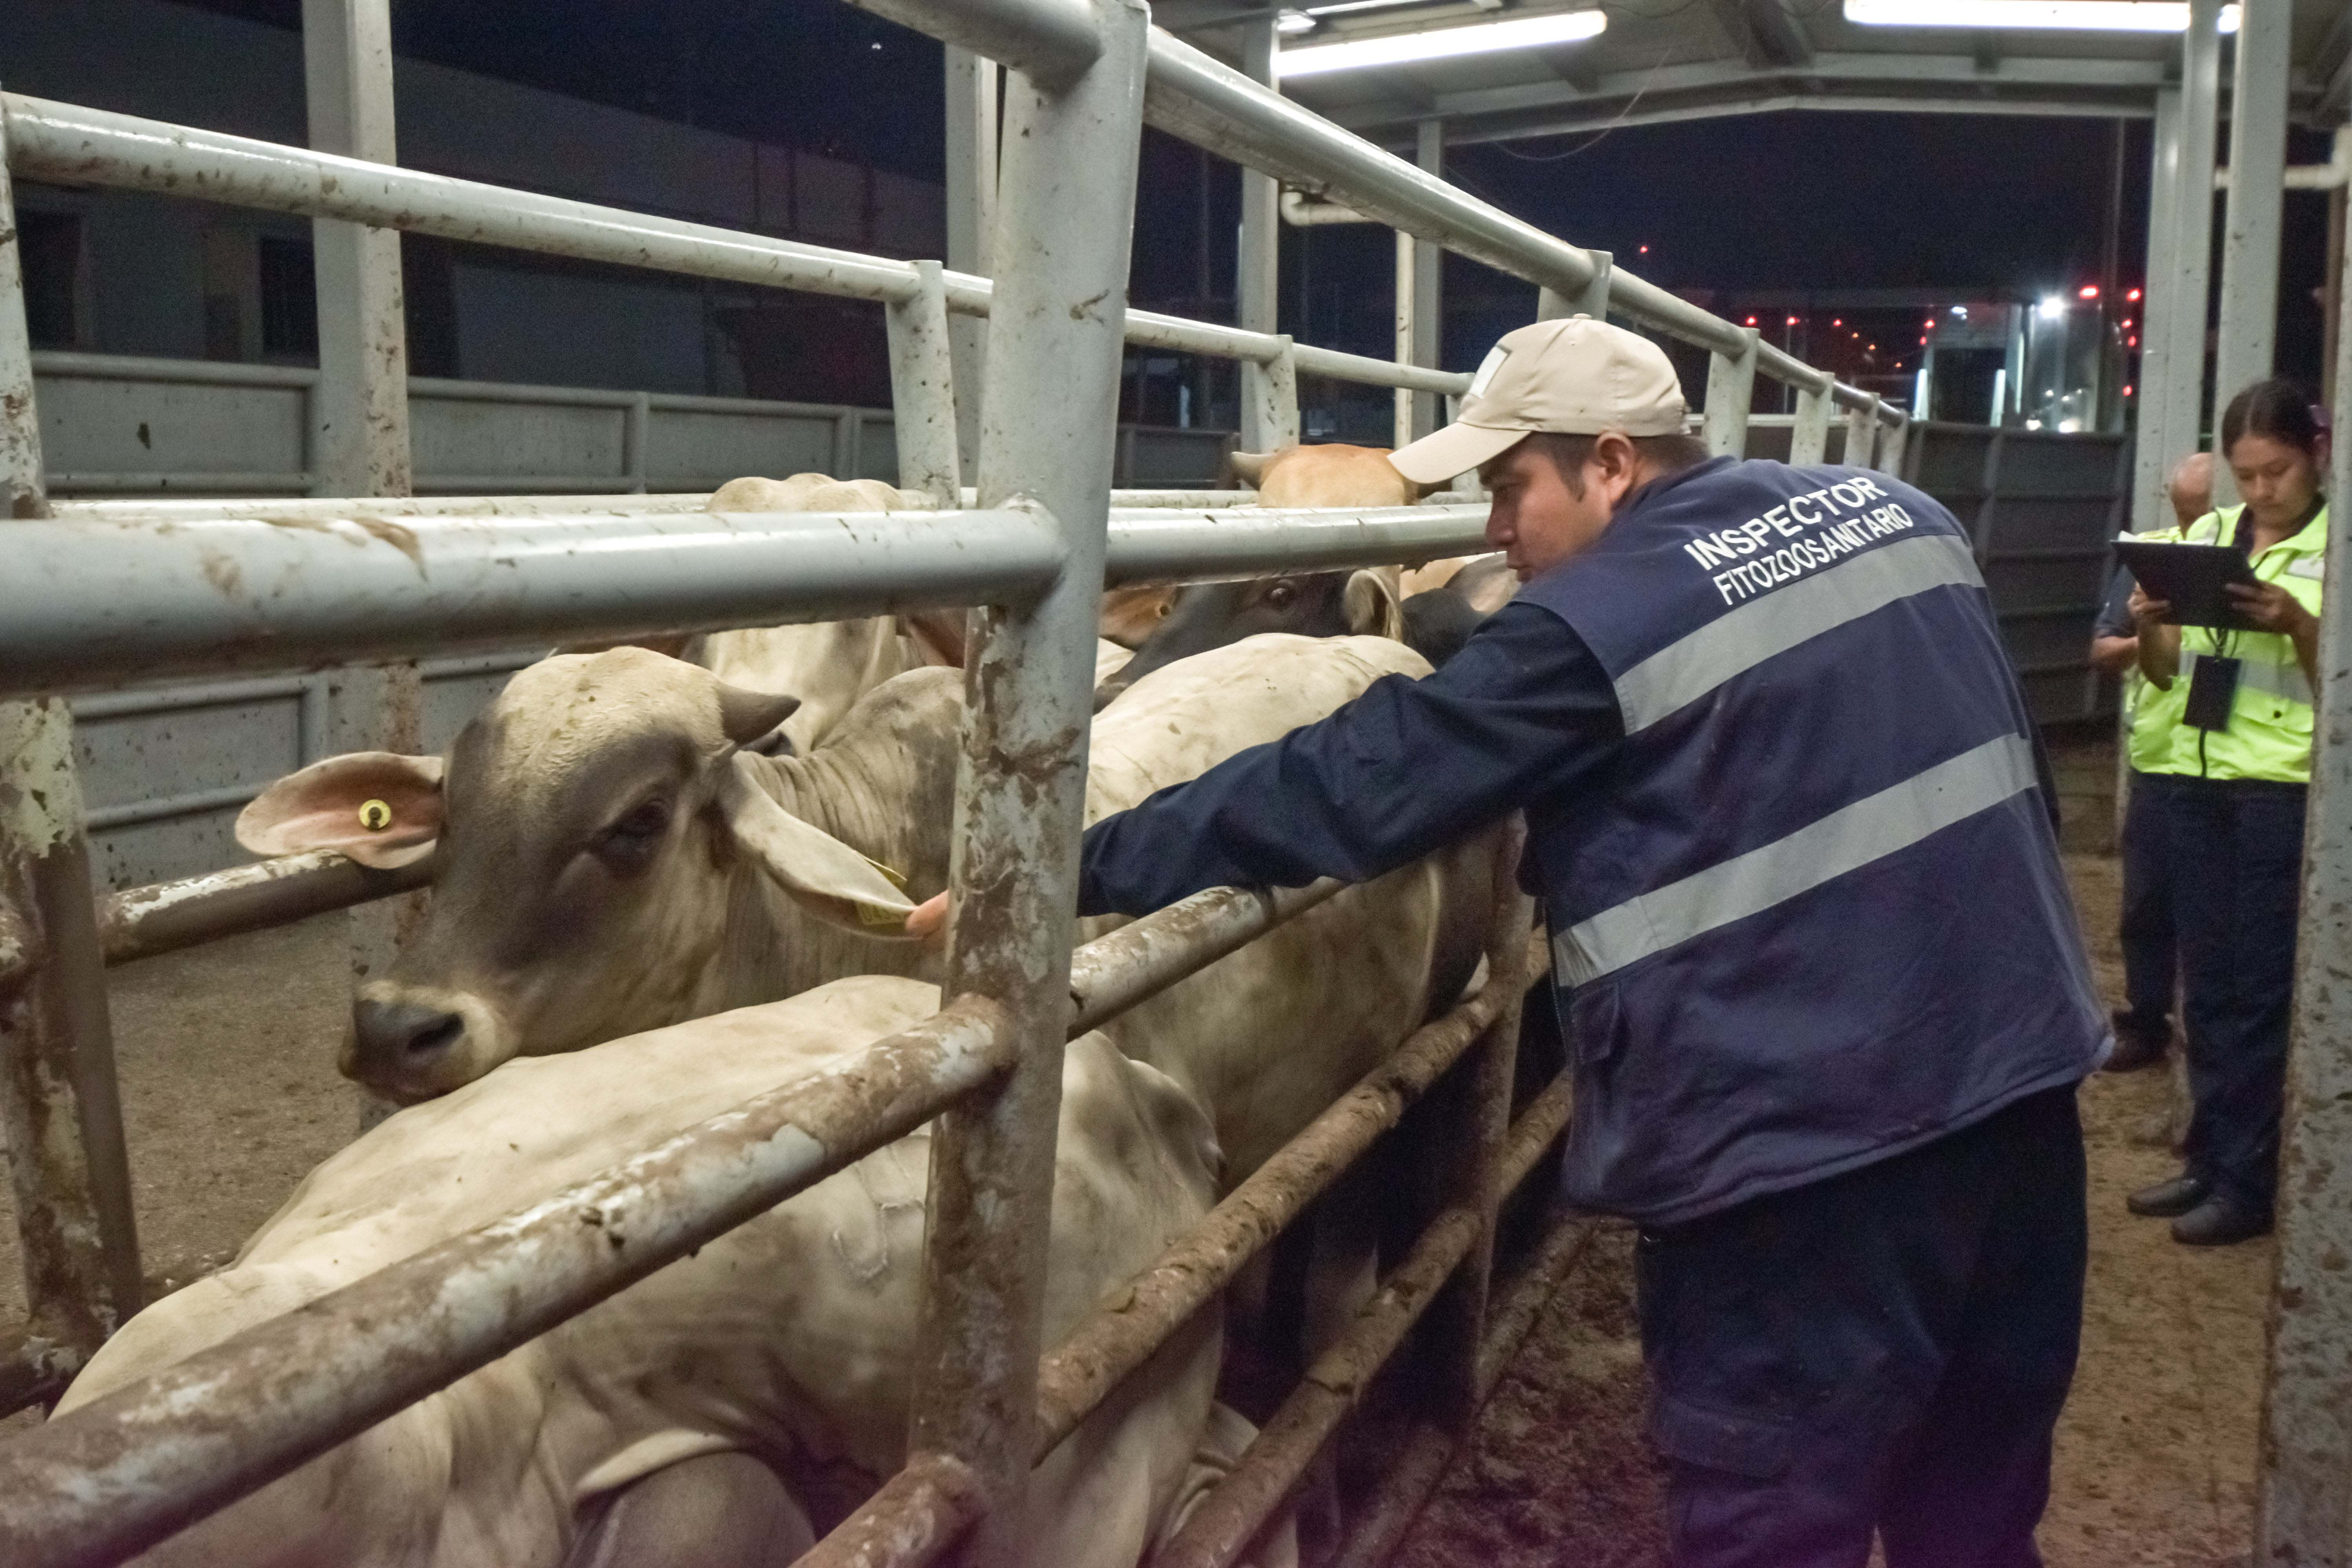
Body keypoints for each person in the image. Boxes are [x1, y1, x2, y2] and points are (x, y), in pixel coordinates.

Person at [914, 316, 2106, 1565]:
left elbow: (1360, 781)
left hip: (1799, 1183)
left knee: (1772, 1530)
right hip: (2022, 1109)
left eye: (1507, 486)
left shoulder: (1601, 623)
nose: (1490, 530)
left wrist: (1064, 868)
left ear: (1608, 465)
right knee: (1971, 1517)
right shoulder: (1903, 518)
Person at [2122, 381, 2329, 1247]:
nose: (2260, 492)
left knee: (2255, 993)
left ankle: (2249, 1182)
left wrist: (2297, 622)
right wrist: (2150, 625)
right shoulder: (2205, 539)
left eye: (2276, 471)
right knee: (2206, 986)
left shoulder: (2332, 553)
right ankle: (2211, 1160)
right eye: (2246, 475)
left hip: (2280, 790)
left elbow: (2336, 688)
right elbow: (2166, 675)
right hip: (2200, 783)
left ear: (2315, 456)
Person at [2088, 452, 2212, 1071]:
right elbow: (2104, 649)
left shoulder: (2246, 552)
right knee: (2147, 902)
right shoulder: (2151, 556)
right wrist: (2153, 634)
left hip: (2229, 759)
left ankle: (2193, 1025)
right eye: (2188, 510)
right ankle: (2146, 1019)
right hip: (2161, 756)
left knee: (2209, 906)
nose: (2195, 524)